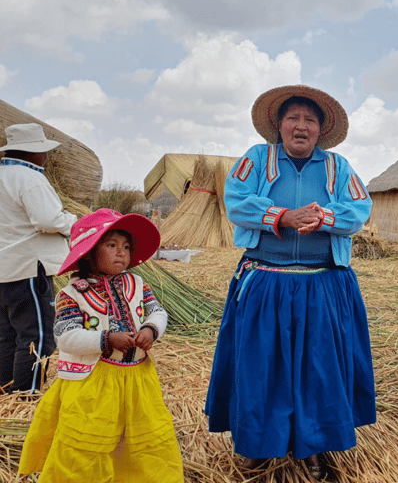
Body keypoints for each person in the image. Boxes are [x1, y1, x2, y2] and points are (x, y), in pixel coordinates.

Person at [205, 85, 376, 480]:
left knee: (319, 368)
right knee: (261, 366)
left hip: (323, 285)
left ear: (320, 131)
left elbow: (358, 209)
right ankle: (258, 443)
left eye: (310, 120)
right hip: (267, 281)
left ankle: (312, 446)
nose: (301, 126)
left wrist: (324, 218)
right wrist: (282, 216)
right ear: (278, 126)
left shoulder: (338, 167)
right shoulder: (256, 160)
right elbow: (237, 201)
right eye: (292, 118)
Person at [18, 208, 184, 482]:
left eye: (126, 246)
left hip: (137, 380)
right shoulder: (71, 294)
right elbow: (65, 336)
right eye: (111, 245)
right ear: (90, 251)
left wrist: (151, 329)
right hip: (92, 383)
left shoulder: (138, 284)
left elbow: (157, 312)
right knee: (88, 445)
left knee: (141, 439)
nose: (122, 252)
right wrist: (105, 339)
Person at [0, 123, 76, 394]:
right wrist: (77, 224)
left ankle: (6, 391)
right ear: (32, 154)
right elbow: (47, 219)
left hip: (4, 271)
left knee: (7, 336)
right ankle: (27, 394)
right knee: (36, 337)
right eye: (43, 152)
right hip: (27, 269)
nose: (46, 157)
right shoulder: (28, 177)